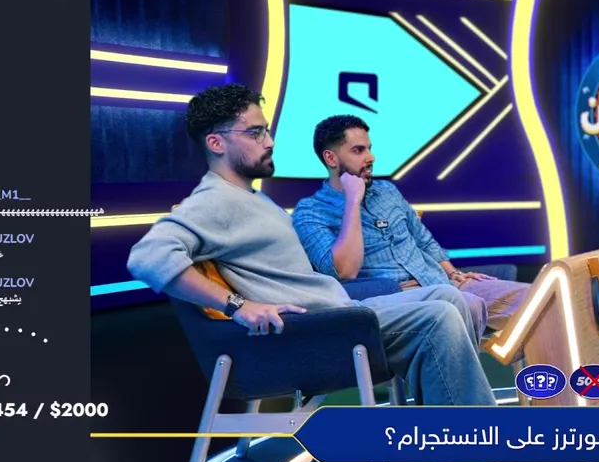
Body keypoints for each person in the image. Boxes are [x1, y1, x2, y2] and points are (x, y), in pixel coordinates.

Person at [126, 83, 497, 407]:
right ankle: (467, 444)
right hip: (317, 331)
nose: (269, 141)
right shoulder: (213, 201)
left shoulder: (250, 197)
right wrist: (239, 305)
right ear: (216, 143)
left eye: (267, 130)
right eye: (255, 133)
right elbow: (147, 257)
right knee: (440, 317)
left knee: (449, 296)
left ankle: (444, 422)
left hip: (337, 310)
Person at [291, 115, 530, 339]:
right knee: (468, 305)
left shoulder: (387, 191)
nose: (371, 157)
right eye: (358, 150)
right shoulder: (310, 211)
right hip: (397, 296)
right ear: (331, 159)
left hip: (440, 280)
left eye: (369, 148)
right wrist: (352, 200)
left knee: (538, 298)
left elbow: (422, 239)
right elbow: (344, 271)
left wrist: (453, 272)